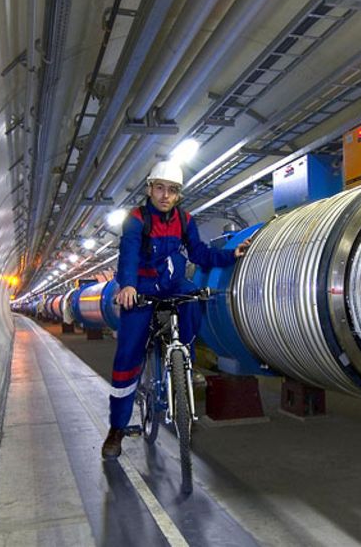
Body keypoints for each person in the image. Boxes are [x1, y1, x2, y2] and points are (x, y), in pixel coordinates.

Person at [102, 160, 250, 459]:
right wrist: (128, 285)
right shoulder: (136, 219)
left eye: (172, 190)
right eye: (160, 188)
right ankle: (116, 428)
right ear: (149, 189)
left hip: (172, 284)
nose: (165, 195)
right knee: (128, 355)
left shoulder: (184, 220)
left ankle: (186, 362)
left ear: (179, 195)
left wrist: (229, 255)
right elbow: (128, 254)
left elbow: (199, 252)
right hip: (141, 287)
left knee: (194, 299)